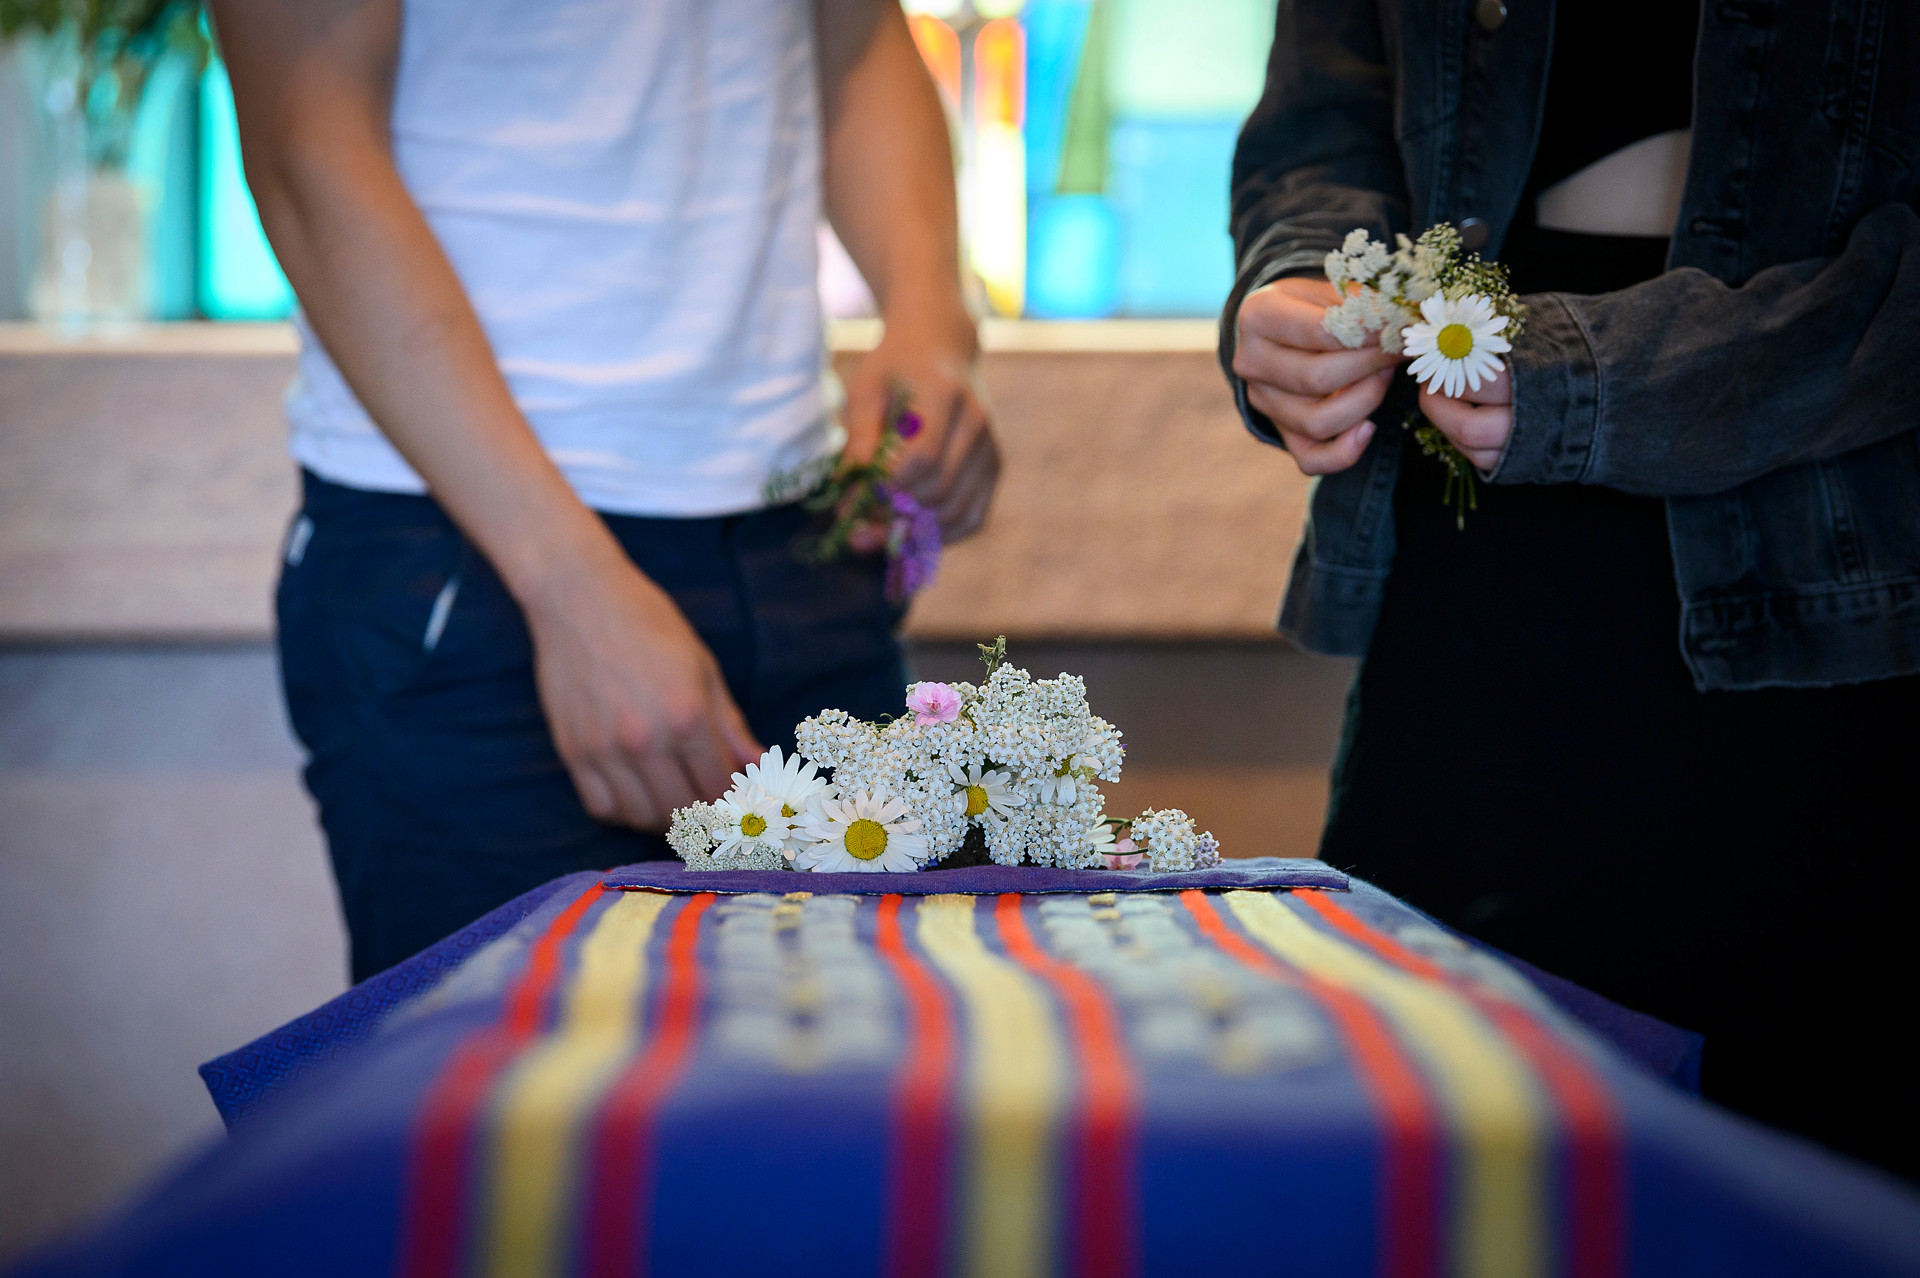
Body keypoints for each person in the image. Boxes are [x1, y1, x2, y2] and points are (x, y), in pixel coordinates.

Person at [1221, 0, 1919, 1178]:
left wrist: (1587, 381)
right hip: (1477, 543)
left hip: (1835, 586)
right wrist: (1301, 286)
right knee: (1434, 1157)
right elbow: (1326, 119)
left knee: (1816, 1172)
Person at [211, 0, 999, 981]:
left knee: (848, 1092)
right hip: (475, 561)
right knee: (510, 1116)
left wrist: (930, 316)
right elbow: (305, 144)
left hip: (801, 539)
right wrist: (570, 588)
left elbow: (856, 33)